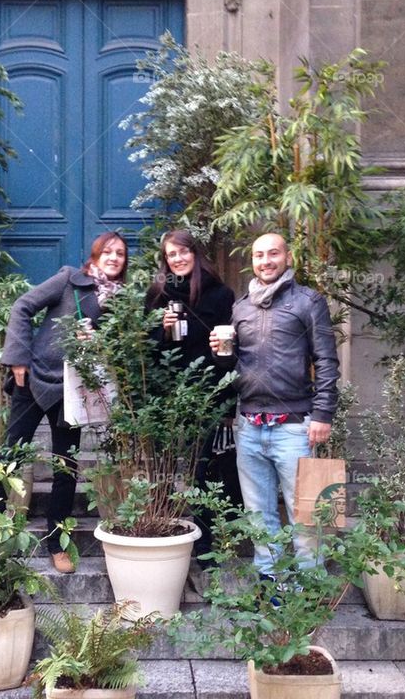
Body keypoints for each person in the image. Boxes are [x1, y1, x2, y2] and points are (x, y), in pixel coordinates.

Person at [209, 232, 339, 577]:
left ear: (288, 256)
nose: (265, 261)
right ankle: (272, 583)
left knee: (306, 514)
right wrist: (221, 354)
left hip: (295, 426)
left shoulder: (308, 302)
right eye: (258, 255)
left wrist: (323, 413)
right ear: (251, 261)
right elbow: (235, 367)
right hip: (250, 425)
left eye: (273, 254)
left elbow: (326, 360)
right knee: (258, 514)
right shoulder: (240, 307)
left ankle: (309, 587)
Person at [0, 231, 128, 574]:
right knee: (10, 455)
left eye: (121, 253)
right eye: (108, 252)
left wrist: (99, 339)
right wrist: (18, 360)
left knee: (66, 465)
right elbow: (23, 306)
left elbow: (120, 349)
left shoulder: (120, 300)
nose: (114, 257)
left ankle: (56, 540)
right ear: (96, 255)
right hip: (34, 378)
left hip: (72, 391)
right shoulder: (68, 279)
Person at [144, 229, 239, 566]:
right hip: (168, 397)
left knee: (204, 472)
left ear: (195, 254)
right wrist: (160, 330)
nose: (178, 259)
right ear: (165, 261)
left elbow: (230, 355)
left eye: (183, 252)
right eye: (171, 254)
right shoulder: (157, 294)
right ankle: (164, 541)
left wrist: (228, 401)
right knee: (165, 470)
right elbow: (148, 353)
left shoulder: (221, 295)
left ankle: (206, 550)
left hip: (207, 396)